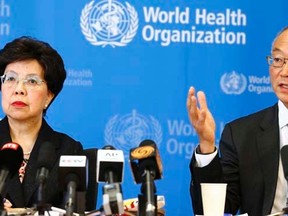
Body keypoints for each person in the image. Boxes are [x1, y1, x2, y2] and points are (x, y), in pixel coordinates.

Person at [187, 26, 288, 216]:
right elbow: (216, 210)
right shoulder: (241, 134)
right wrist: (207, 145)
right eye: (278, 60)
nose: (284, 71)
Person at [0, 36, 84, 210]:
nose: (18, 89)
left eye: (31, 81)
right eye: (10, 79)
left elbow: (75, 211)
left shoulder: (69, 150)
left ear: (49, 96)